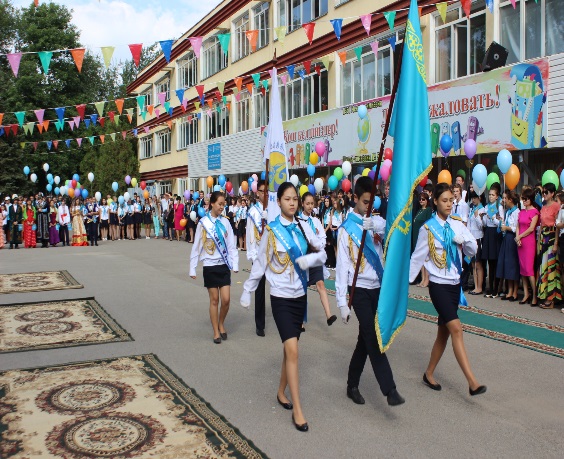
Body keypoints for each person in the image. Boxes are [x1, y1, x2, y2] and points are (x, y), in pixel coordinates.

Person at [240, 182, 326, 432]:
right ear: (279, 202)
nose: (292, 203)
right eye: (287, 199)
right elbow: (261, 263)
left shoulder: (302, 227)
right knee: (293, 351)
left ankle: (280, 391)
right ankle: (298, 410)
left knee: (291, 350)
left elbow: (319, 250)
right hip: (280, 298)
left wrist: (314, 255)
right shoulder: (273, 230)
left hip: (300, 296)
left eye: (295, 199)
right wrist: (248, 289)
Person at [335, 177, 404, 408]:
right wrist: (343, 303)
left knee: (364, 340)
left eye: (372, 202)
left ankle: (351, 384)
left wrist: (374, 225)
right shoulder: (346, 230)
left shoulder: (374, 221)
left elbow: (392, 228)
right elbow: (342, 267)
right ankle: (390, 389)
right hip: (360, 291)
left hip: (378, 289)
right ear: (355, 199)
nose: (369, 206)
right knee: (373, 337)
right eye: (365, 202)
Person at [410, 183, 485, 396]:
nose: (449, 204)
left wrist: (462, 241)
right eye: (444, 200)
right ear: (435, 202)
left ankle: (429, 373)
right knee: (456, 329)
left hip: (454, 286)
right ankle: (472, 382)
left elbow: (473, 249)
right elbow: (417, 258)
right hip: (438, 286)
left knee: (442, 334)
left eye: (451, 200)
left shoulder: (458, 224)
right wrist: (401, 285)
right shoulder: (428, 228)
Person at [190, 191, 239, 343]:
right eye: (219, 204)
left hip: (223, 265)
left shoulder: (225, 222)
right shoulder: (204, 223)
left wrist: (235, 263)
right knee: (214, 300)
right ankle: (216, 331)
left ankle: (221, 322)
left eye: (223, 204)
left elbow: (231, 244)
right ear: (211, 203)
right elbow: (197, 246)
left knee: (226, 299)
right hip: (210, 266)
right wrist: (193, 267)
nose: (221, 207)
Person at [299, 192, 337, 326]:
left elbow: (323, 237)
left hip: (315, 257)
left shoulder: (315, 220)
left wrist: (318, 245)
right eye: (307, 203)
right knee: (302, 289)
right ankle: (300, 321)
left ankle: (329, 315)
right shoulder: (298, 221)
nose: (310, 206)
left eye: (312, 204)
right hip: (304, 257)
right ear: (302, 203)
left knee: (320, 283)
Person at [246, 180, 268, 337]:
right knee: (259, 290)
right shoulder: (253, 212)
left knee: (278, 287)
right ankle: (260, 324)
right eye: (262, 191)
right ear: (257, 193)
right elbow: (250, 236)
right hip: (259, 254)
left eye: (267, 191)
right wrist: (253, 255)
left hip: (273, 254)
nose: (264, 194)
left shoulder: (274, 209)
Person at [536, 183, 561, 309]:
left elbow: (557, 226)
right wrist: (538, 242)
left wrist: (556, 242)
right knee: (543, 266)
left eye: (546, 192)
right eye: (543, 192)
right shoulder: (543, 206)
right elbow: (541, 225)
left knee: (551, 267)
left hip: (551, 236)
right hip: (543, 237)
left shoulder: (556, 206)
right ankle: (544, 295)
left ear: (552, 194)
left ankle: (551, 298)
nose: (544, 195)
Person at [515, 188, 540, 306]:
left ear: (530, 199)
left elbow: (531, 228)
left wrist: (519, 237)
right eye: (522, 199)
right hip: (520, 242)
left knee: (529, 270)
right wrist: (517, 238)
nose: (523, 201)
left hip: (529, 242)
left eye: (525, 199)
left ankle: (534, 295)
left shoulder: (535, 212)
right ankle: (526, 294)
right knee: (523, 270)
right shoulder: (521, 212)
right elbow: (518, 225)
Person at [496, 191, 521, 302]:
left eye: (506, 198)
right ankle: (509, 290)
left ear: (511, 200)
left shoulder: (516, 212)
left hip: (512, 238)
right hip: (506, 238)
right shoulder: (508, 211)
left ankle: (515, 291)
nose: (504, 200)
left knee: (512, 265)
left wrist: (506, 228)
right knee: (507, 264)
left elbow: (516, 227)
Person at [482, 184, 504, 298]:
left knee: (495, 262)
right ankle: (489, 288)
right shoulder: (486, 207)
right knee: (489, 262)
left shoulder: (499, 207)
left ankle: (496, 288)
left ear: (496, 197)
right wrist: (483, 217)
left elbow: (501, 223)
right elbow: (485, 224)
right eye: (489, 194)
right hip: (488, 233)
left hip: (496, 233)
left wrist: (493, 218)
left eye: (493, 195)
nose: (490, 197)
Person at [412, 192, 433, 287]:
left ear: (427, 201)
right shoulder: (420, 210)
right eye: (420, 199)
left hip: (424, 236)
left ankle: (426, 279)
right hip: (417, 235)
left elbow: (428, 223)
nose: (421, 201)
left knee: (425, 258)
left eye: (423, 199)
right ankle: (422, 278)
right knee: (421, 257)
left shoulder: (428, 210)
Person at [467, 191, 486, 295]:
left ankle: (479, 287)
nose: (473, 200)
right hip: (471, 238)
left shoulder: (482, 209)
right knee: (473, 263)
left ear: (479, 198)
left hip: (479, 238)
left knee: (478, 263)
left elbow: (482, 226)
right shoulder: (472, 209)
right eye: (472, 198)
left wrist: (477, 216)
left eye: (475, 198)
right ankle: (475, 286)